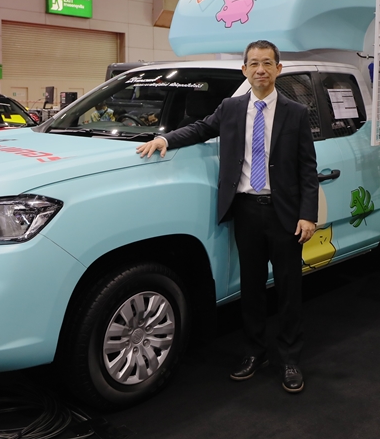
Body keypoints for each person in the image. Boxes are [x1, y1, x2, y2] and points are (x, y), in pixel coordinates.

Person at [136, 40, 318, 394]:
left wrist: (307, 215)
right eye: (254, 63)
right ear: (244, 70)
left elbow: (307, 169)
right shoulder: (231, 108)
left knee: (288, 291)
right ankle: (255, 352)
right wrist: (165, 140)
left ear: (278, 69)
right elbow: (200, 129)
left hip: (284, 213)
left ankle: (290, 359)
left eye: (267, 63)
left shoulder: (295, 112)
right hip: (246, 211)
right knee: (251, 288)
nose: (261, 70)